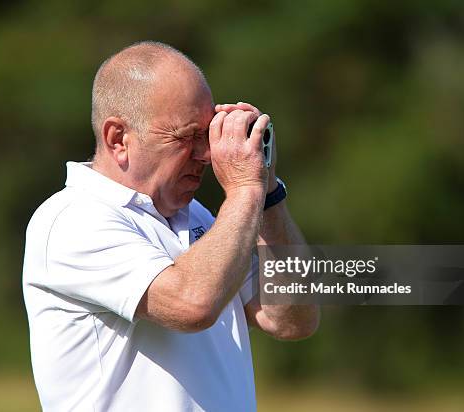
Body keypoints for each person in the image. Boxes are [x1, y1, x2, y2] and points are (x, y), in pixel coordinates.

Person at [22, 41, 319, 412]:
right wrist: (245, 189)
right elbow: (192, 304)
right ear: (119, 139)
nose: (207, 154)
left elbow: (292, 318)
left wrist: (268, 192)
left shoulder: (199, 217)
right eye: (186, 137)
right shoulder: (72, 220)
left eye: (207, 134)